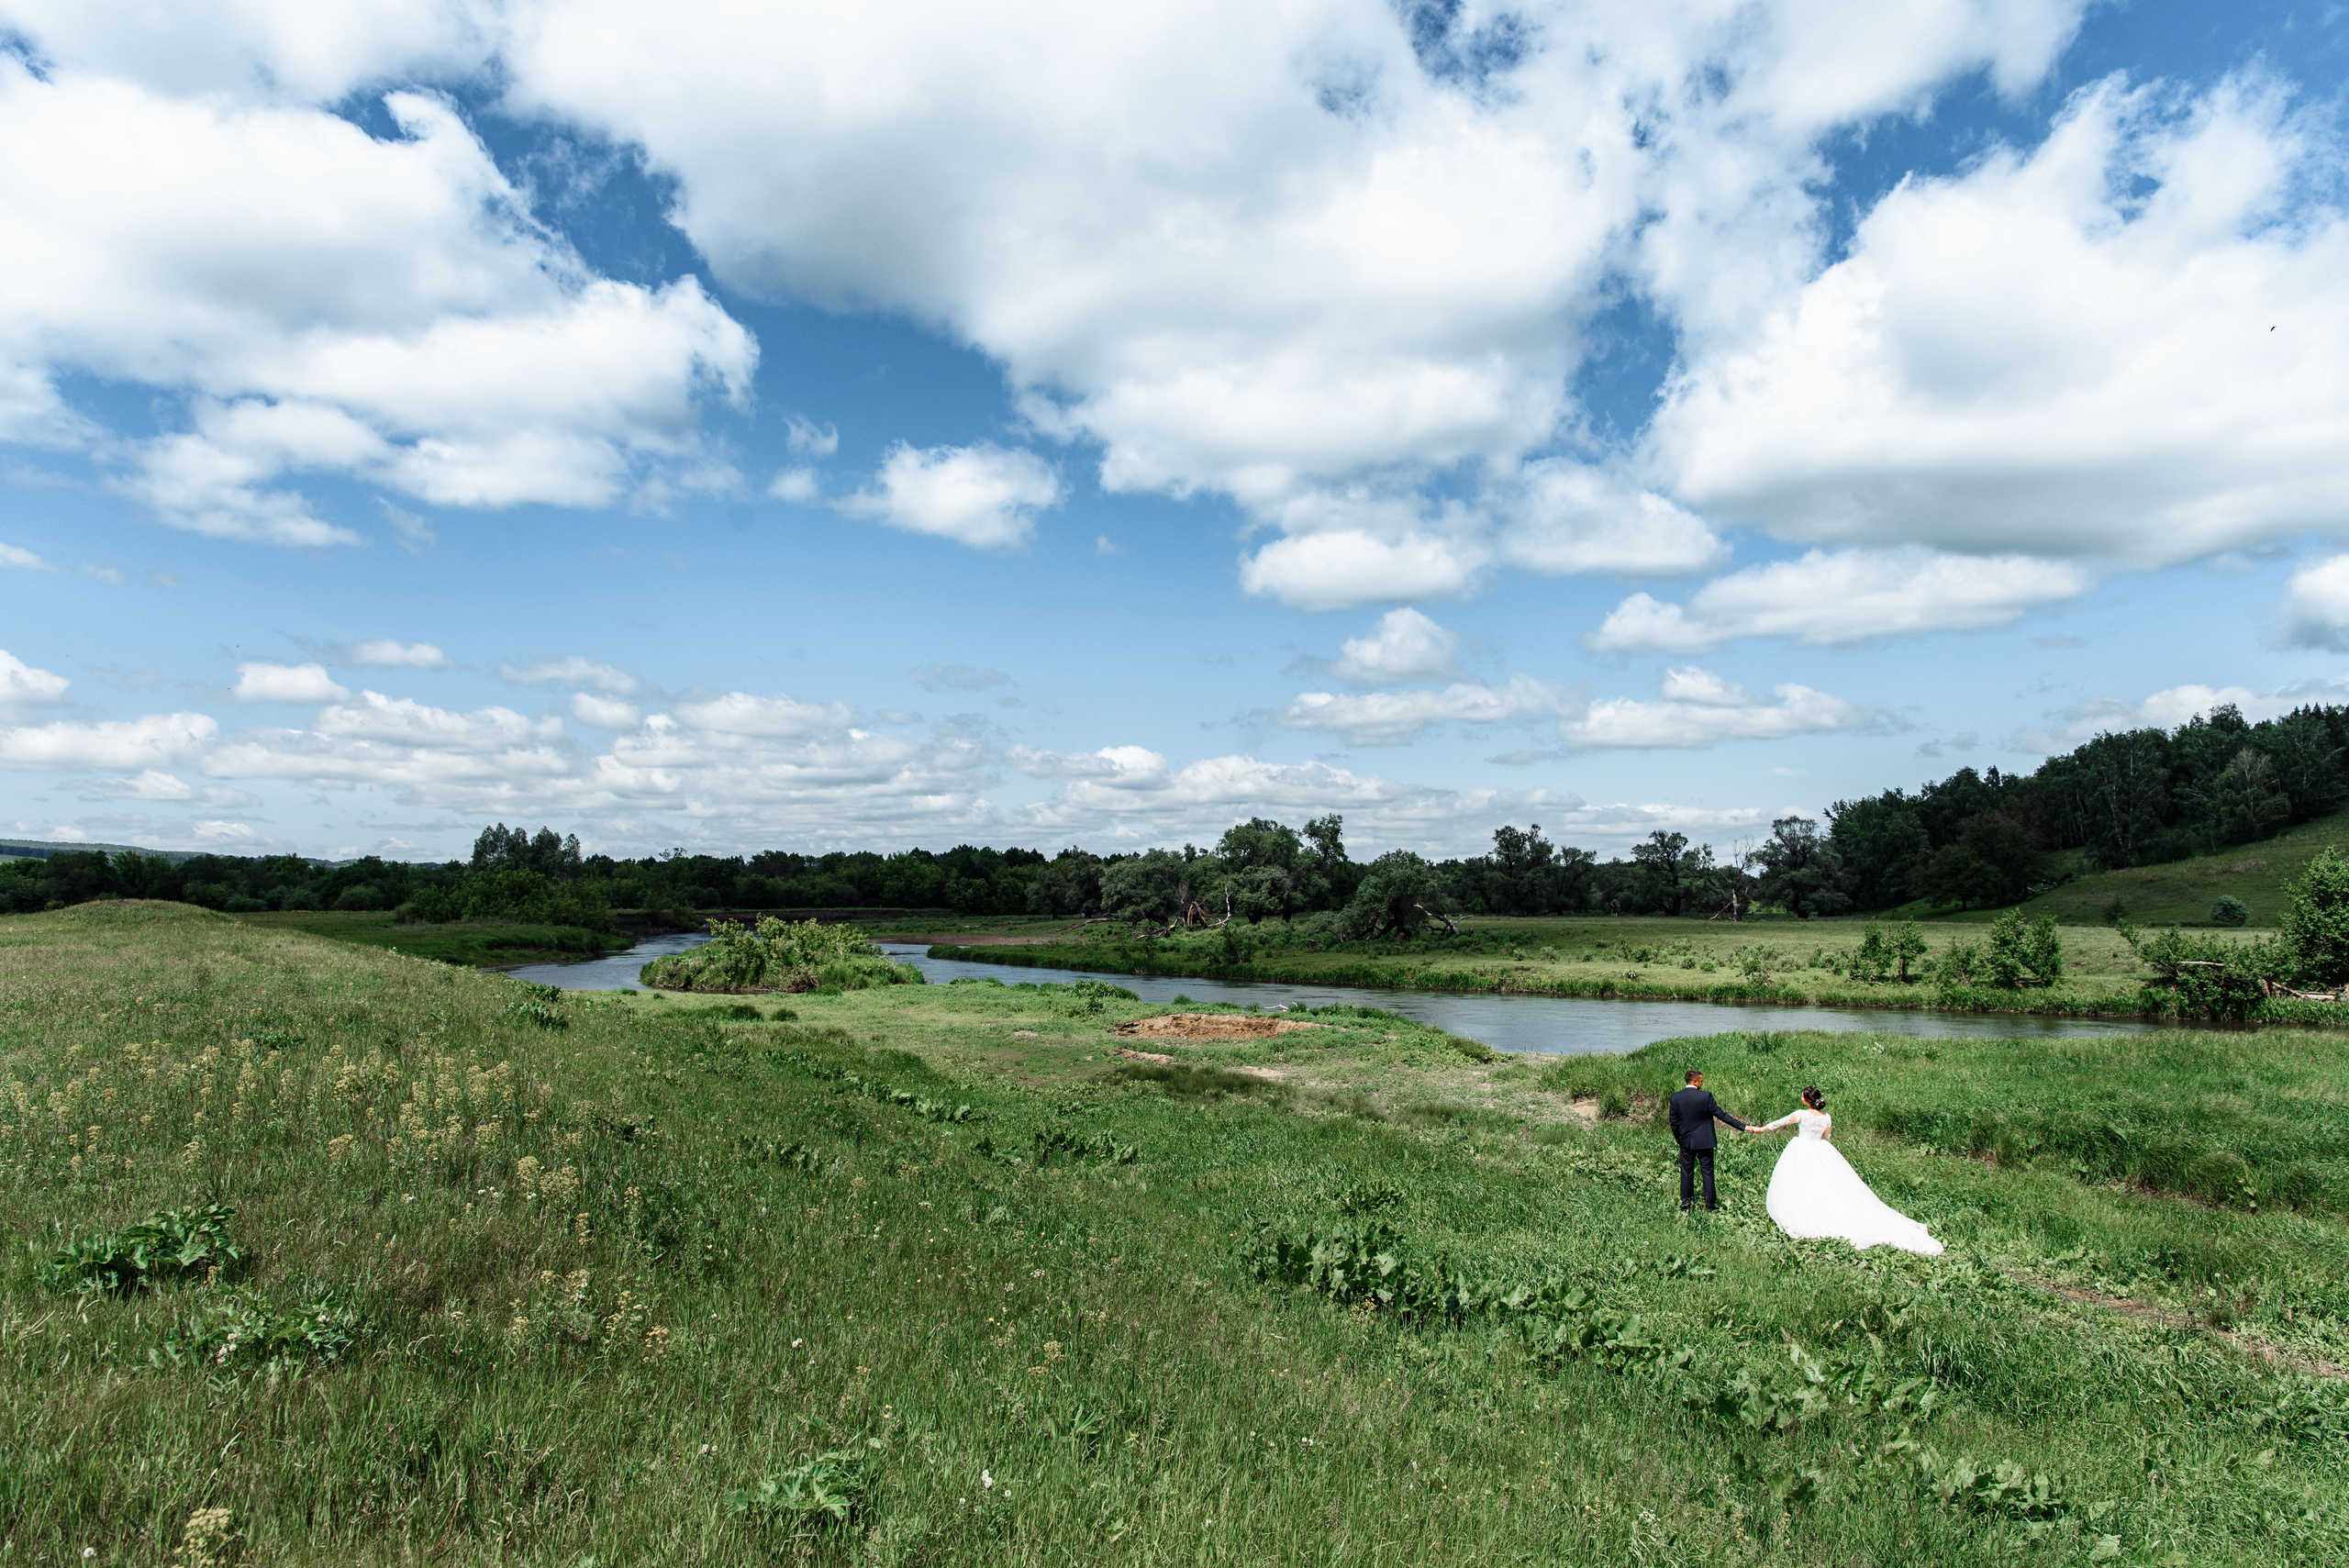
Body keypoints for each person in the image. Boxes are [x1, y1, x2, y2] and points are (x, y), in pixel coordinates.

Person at [1749, 1086, 1944, 1255]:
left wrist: (1758, 1129)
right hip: (1821, 1150)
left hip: (1802, 1149)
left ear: (1807, 1101)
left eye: (1802, 1096)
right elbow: (1826, 1138)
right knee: (1828, 1184)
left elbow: (1779, 1123)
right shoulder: (1827, 1118)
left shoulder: (1801, 1114)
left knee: (1799, 1182)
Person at [1666, 1069, 1749, 1211]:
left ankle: (1686, 1203)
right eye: (1701, 1081)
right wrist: (1743, 1127)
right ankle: (1710, 1205)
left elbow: (1673, 1122)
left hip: (1686, 1141)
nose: (1702, 1084)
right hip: (1705, 1141)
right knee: (1707, 1172)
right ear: (1695, 1081)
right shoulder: (1705, 1097)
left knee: (1686, 1172)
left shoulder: (1676, 1097)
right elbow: (1722, 1115)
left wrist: (1680, 1139)